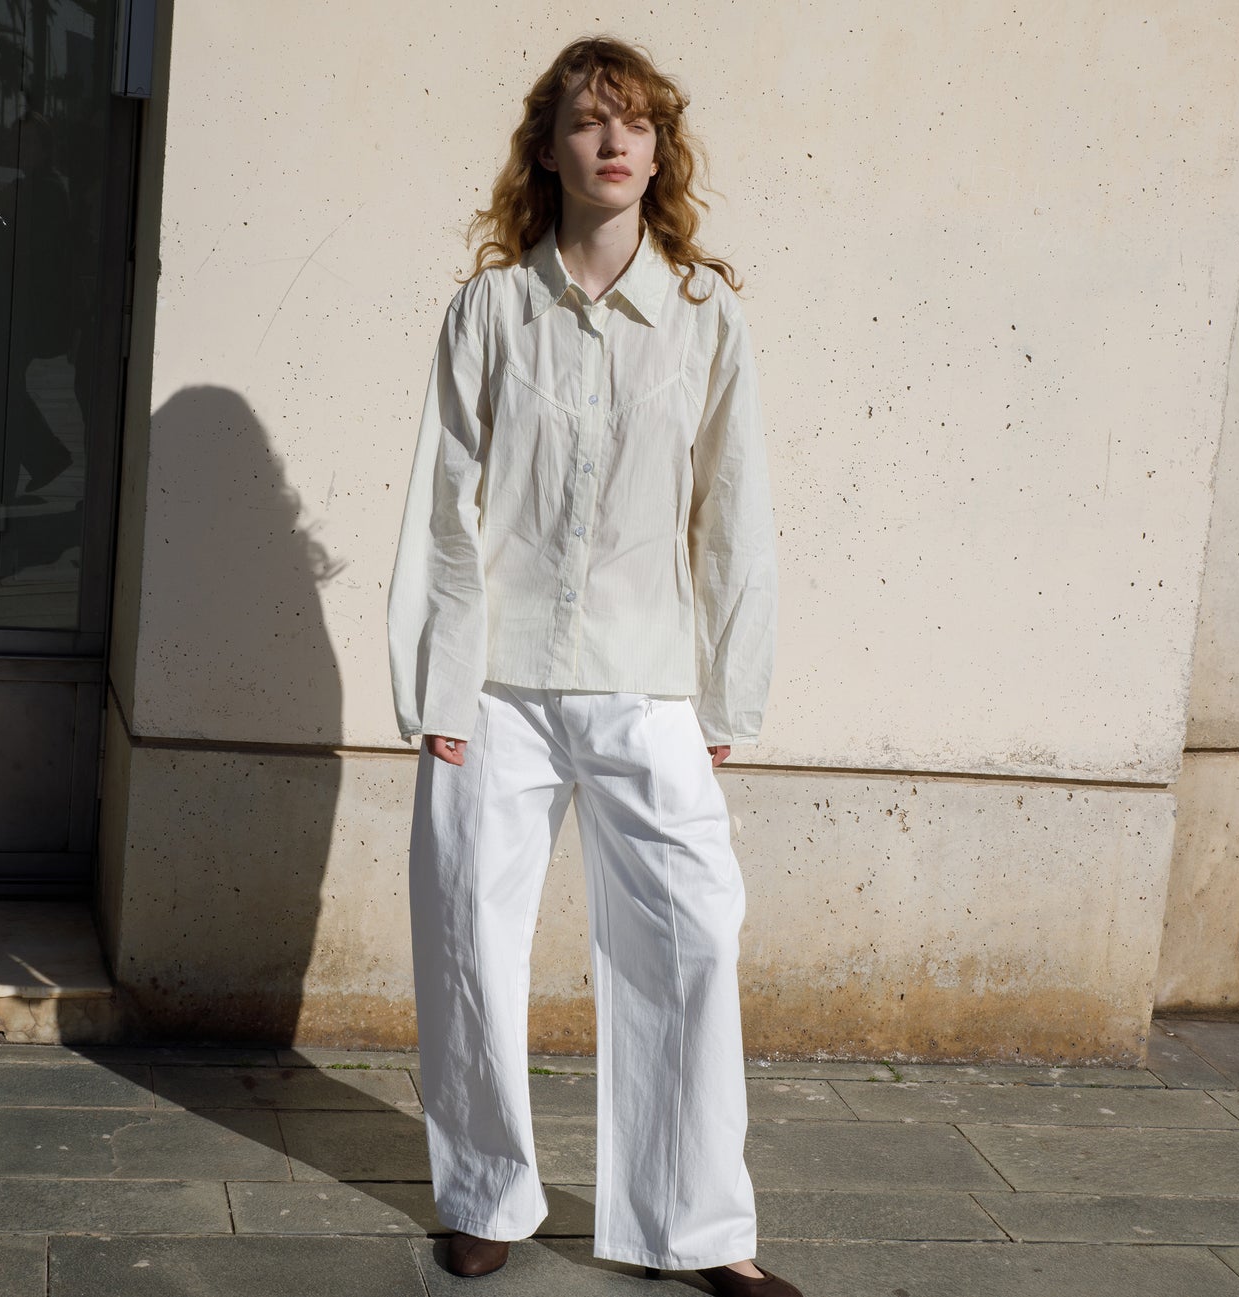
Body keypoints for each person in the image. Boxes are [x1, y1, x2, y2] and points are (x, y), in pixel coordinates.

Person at [386, 35, 794, 1297]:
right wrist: (437, 688)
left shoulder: (702, 317)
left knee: (692, 940)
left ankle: (702, 1229)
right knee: (467, 935)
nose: (612, 141)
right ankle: (485, 1193)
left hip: (647, 678)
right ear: (547, 148)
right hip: (497, 686)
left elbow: (731, 516)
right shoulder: (491, 311)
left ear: (658, 151)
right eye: (585, 121)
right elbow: (441, 510)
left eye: (634, 123)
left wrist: (724, 694)